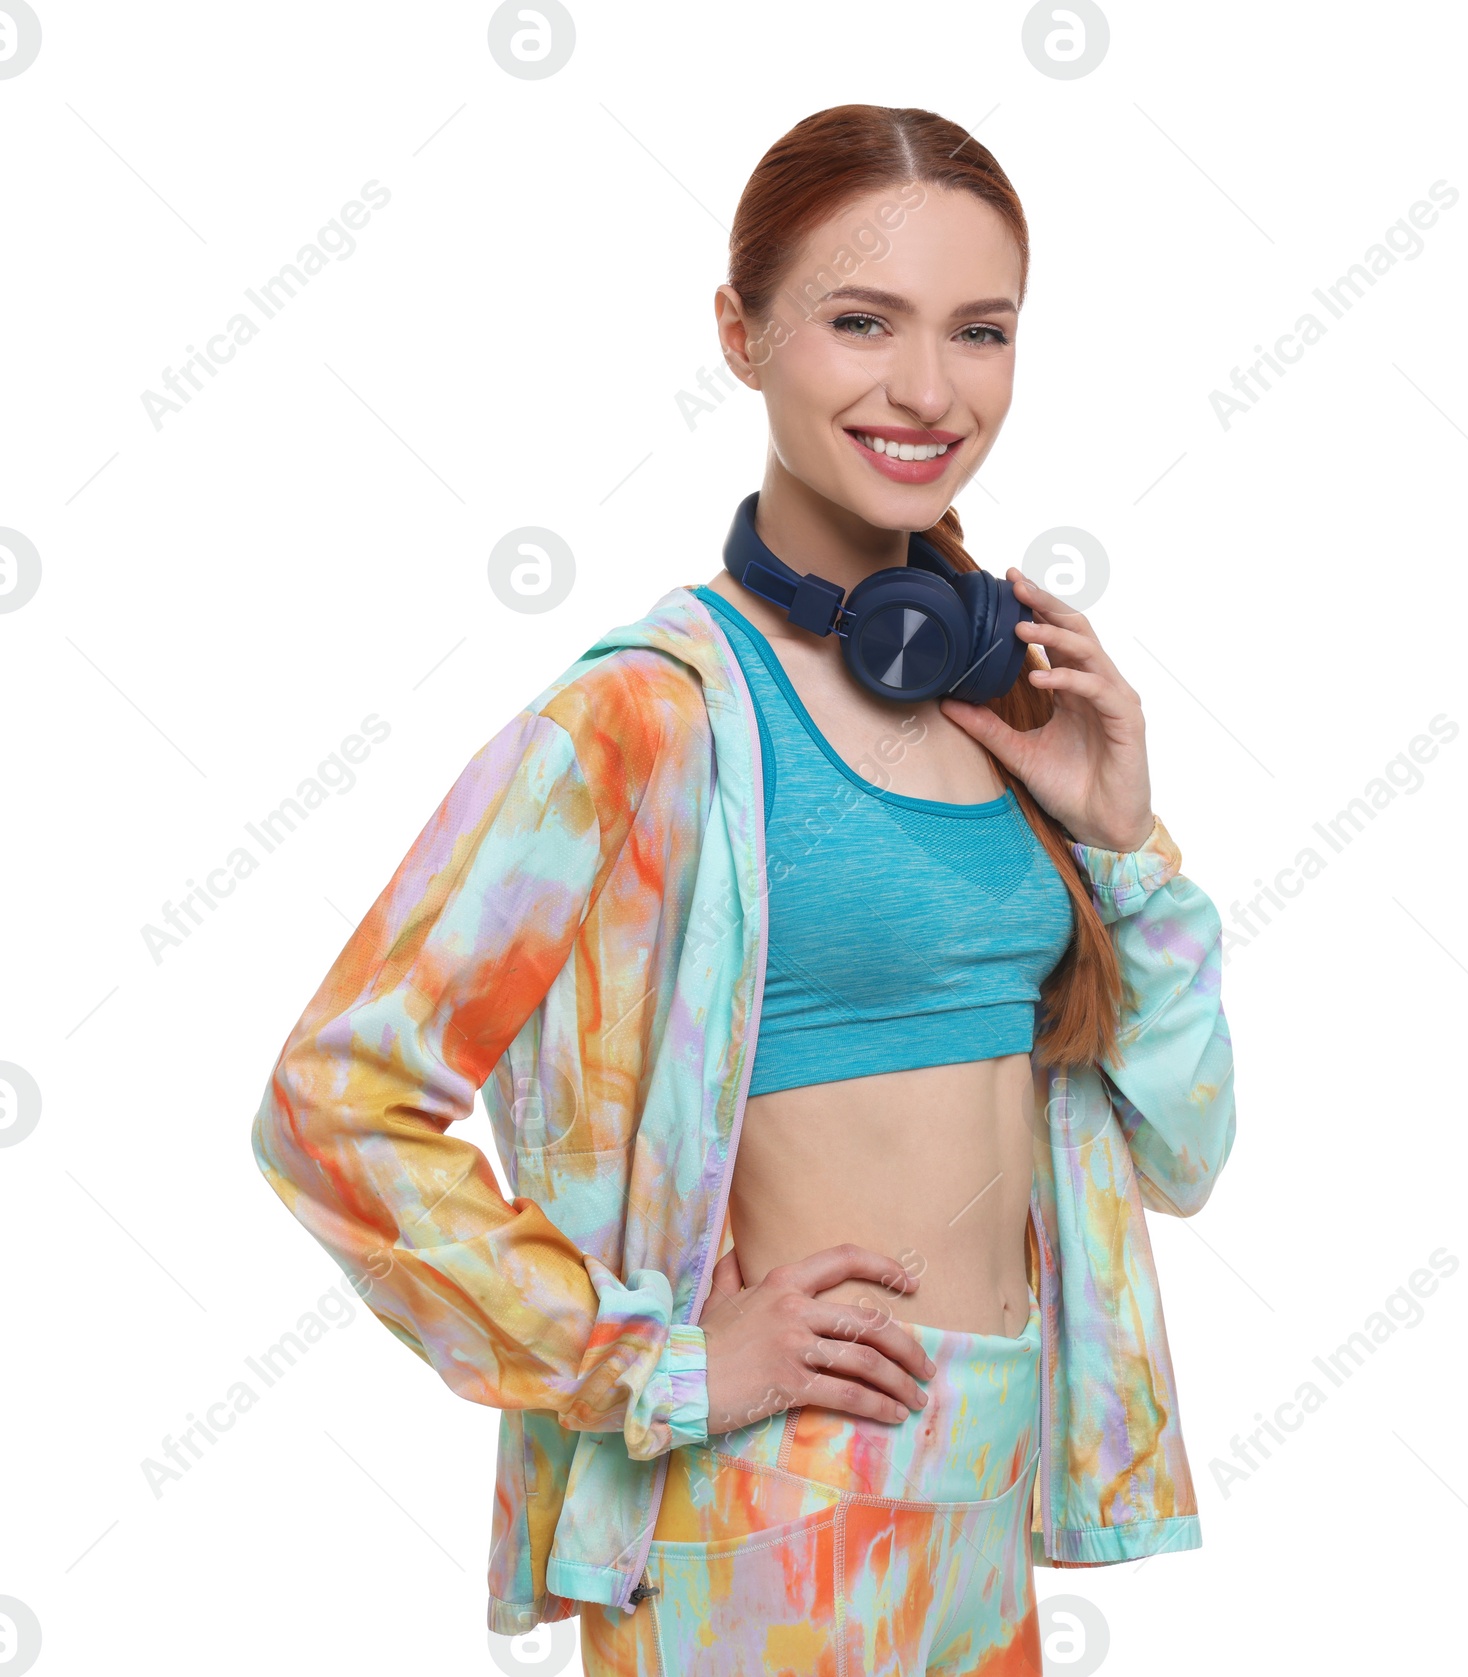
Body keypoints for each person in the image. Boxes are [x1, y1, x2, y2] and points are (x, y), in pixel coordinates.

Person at [251, 103, 1236, 1676]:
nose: (928, 390)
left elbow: (1184, 1152)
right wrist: (650, 1362)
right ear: (743, 331)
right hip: (756, 1506)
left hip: (984, 1493)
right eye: (863, 321)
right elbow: (329, 1105)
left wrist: (1122, 837)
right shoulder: (642, 722)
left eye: (979, 332)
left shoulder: (1020, 715)